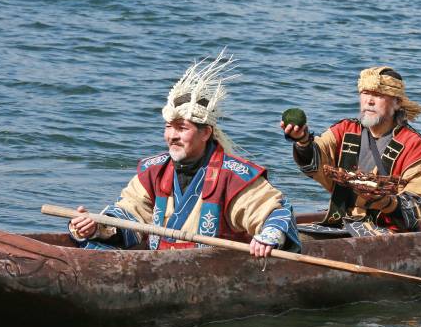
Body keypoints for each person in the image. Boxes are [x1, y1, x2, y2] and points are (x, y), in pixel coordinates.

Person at [69, 53, 300, 257]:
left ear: (205, 133)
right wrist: (97, 227)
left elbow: (274, 211)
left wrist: (267, 237)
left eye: (182, 128)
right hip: (161, 264)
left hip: (215, 270)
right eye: (168, 127)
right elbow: (130, 213)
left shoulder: (233, 176)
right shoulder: (155, 171)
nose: (172, 136)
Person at [282, 66, 421, 237]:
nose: (369, 101)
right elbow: (316, 159)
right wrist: (302, 140)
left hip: (388, 234)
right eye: (365, 93)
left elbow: (419, 206)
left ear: (397, 103)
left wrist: (385, 202)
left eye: (378, 95)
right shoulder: (345, 129)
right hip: (340, 224)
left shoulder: (414, 146)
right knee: (287, 237)